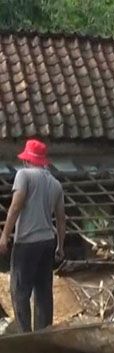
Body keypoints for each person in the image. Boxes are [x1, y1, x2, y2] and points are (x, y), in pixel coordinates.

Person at [0, 139, 66, 332]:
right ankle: (44, 336)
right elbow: (61, 219)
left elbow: (16, 205)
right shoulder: (55, 184)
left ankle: (25, 337)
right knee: (43, 293)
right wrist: (60, 246)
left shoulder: (24, 175)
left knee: (20, 292)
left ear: (27, 160)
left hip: (27, 243)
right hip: (47, 243)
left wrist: (5, 235)